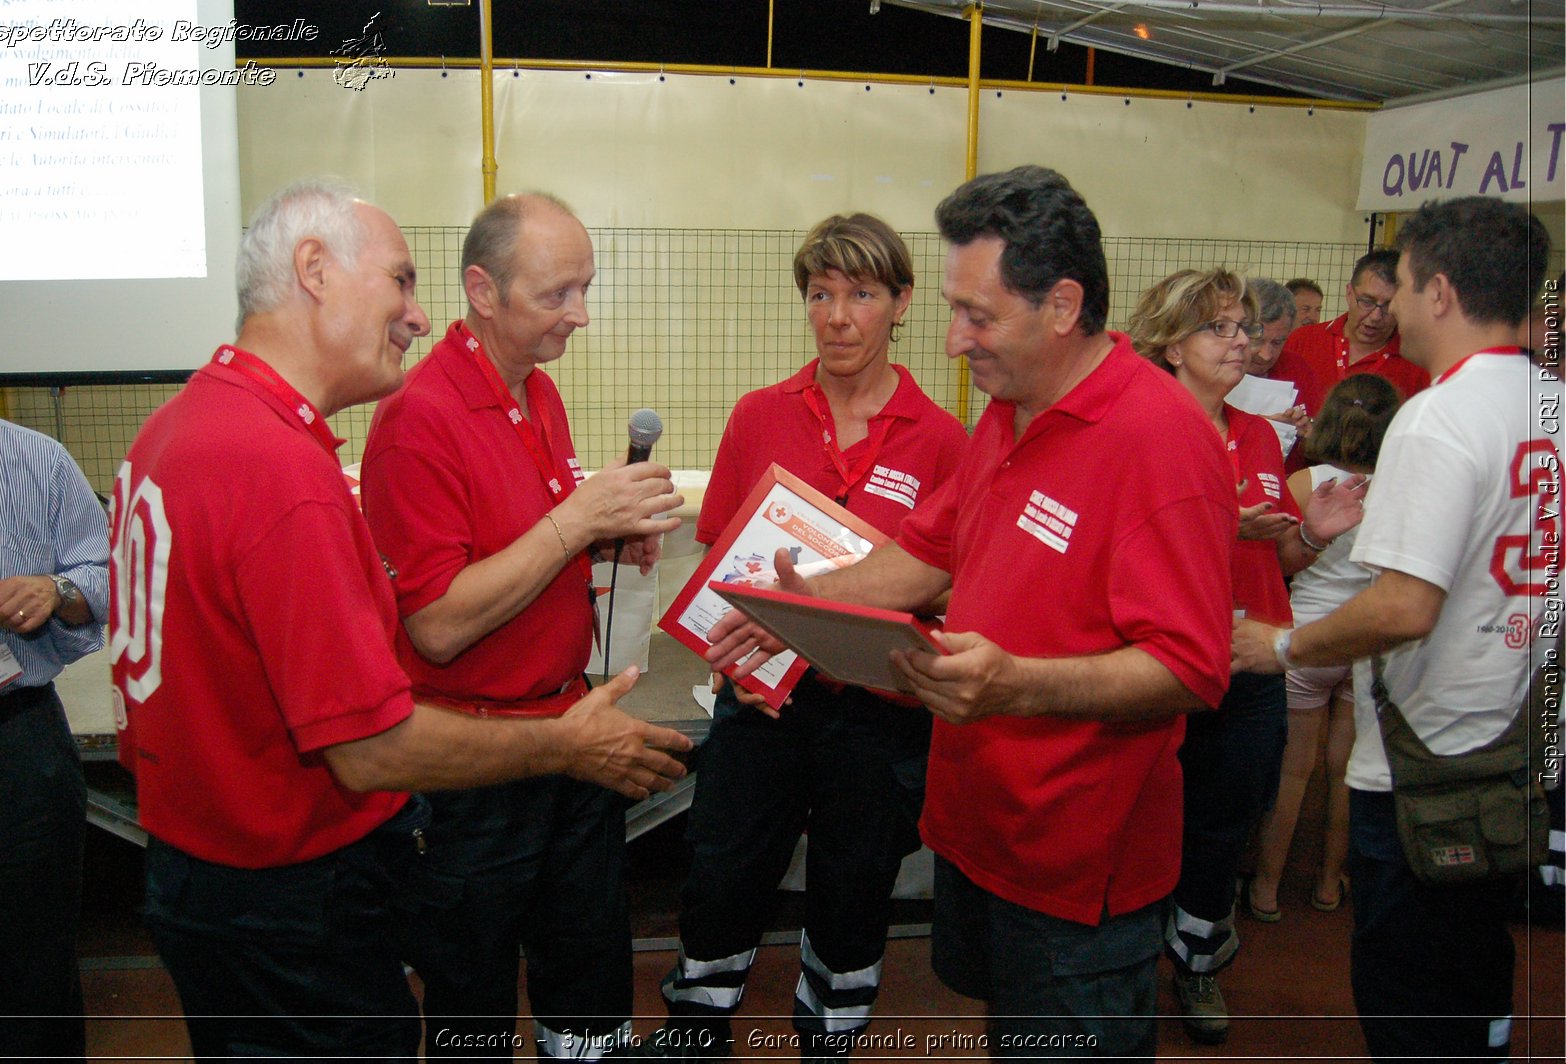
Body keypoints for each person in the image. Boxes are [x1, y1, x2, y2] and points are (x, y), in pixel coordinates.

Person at [110, 180, 692, 1060]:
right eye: (400, 281)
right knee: (460, 1001)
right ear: (313, 270)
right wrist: (566, 741)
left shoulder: (186, 428)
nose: (416, 316)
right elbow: (377, 730)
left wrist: (588, 548)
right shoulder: (282, 470)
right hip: (290, 882)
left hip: (220, 865)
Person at [707, 165, 1239, 1058]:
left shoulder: (1161, 440)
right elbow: (923, 556)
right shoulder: (1010, 411)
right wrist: (795, 607)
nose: (953, 342)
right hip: (983, 832)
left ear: (1063, 306)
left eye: (978, 315)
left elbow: (1192, 666)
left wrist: (1017, 686)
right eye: (953, 309)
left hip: (1076, 871)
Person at [359, 192, 685, 1060]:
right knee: (472, 996)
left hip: (569, 733)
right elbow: (435, 624)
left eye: (585, 289)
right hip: (477, 770)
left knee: (588, 980)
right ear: (483, 290)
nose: (578, 315)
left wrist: (601, 542)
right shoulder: (417, 421)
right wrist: (576, 524)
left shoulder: (537, 394)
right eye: (557, 295)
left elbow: (525, 554)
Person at [638, 214, 967, 1060]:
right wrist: (730, 663)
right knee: (721, 875)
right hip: (763, 702)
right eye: (821, 293)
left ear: (901, 304)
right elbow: (719, 558)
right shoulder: (760, 416)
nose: (838, 315)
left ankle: (832, 1032)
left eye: (861, 293)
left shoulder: (943, 442)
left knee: (856, 890)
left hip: (879, 713)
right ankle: (696, 1026)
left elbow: (950, 584)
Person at [1233, 196, 1554, 1061]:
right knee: (1476, 969)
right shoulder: (1550, 404)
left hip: (1425, 767)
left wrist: (1286, 645)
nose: (1391, 306)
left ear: (1440, 292)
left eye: (1402, 284)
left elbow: (1405, 605)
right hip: (1512, 740)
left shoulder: (1439, 418)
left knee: (1409, 993)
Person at [1128, 269, 1366, 1045]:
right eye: (1218, 329)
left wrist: (1310, 536)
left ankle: (1197, 962)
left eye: (1242, 328)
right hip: (1158, 668)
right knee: (1142, 822)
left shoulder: (1260, 435)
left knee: (1223, 827)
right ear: (1168, 344)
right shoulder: (1138, 432)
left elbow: (1278, 560)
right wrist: (1225, 524)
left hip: (1250, 666)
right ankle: (1126, 965)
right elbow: (1129, 548)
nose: (1239, 343)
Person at [0, 281, 108, 1060]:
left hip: (16, 739)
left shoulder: (38, 461)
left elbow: (107, 575)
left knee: (38, 956)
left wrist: (57, 592)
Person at [1246, 374, 1401, 923]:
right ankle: (1330, 883)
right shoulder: (1402, 484)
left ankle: (1266, 888)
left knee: (1294, 773)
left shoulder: (1309, 480)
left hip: (1306, 639)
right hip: (1364, 641)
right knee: (1346, 772)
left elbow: (1276, 558)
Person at [1281, 251, 1429, 401]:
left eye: (1388, 305)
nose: (1376, 316)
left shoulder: (1417, 361)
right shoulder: (1302, 341)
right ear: (1349, 293)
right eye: (1367, 302)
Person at [1241, 277, 1324, 473]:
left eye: (1277, 343)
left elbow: (1322, 443)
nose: (1266, 354)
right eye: (1257, 340)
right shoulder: (1212, 368)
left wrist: (1309, 431)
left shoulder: (1298, 370)